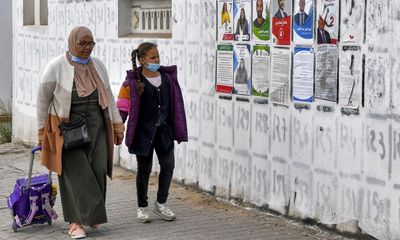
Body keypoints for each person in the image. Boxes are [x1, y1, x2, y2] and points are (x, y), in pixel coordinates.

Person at [36, 26, 125, 239]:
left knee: (96, 170)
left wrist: (117, 125)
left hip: (96, 125)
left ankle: (91, 215)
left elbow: (109, 98)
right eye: (82, 43)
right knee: (77, 175)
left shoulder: (98, 66)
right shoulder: (56, 66)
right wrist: (42, 133)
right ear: (72, 43)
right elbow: (42, 100)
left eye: (90, 43)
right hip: (67, 129)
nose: (87, 48)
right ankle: (76, 223)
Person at [117, 42, 188, 223]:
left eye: (158, 56)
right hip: (143, 134)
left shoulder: (167, 79)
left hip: (164, 132)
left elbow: (176, 106)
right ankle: (142, 207)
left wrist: (178, 130)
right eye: (153, 57)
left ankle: (161, 203)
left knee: (168, 166)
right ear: (142, 60)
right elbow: (123, 107)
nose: (157, 60)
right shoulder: (132, 83)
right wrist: (118, 126)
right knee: (144, 170)